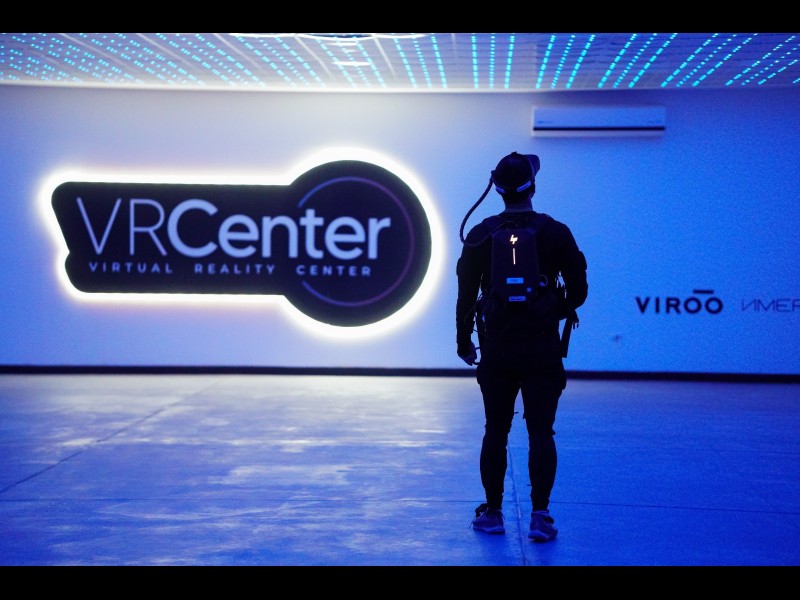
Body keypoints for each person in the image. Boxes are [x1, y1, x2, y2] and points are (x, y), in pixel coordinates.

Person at [455, 151, 588, 541]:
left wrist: (464, 342)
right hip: (541, 349)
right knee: (541, 432)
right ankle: (540, 517)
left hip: (496, 349)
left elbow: (465, 298)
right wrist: (550, 308)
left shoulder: (480, 234)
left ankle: (493, 513)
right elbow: (579, 292)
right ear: (533, 187)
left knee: (495, 431)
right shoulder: (556, 232)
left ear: (496, 190)